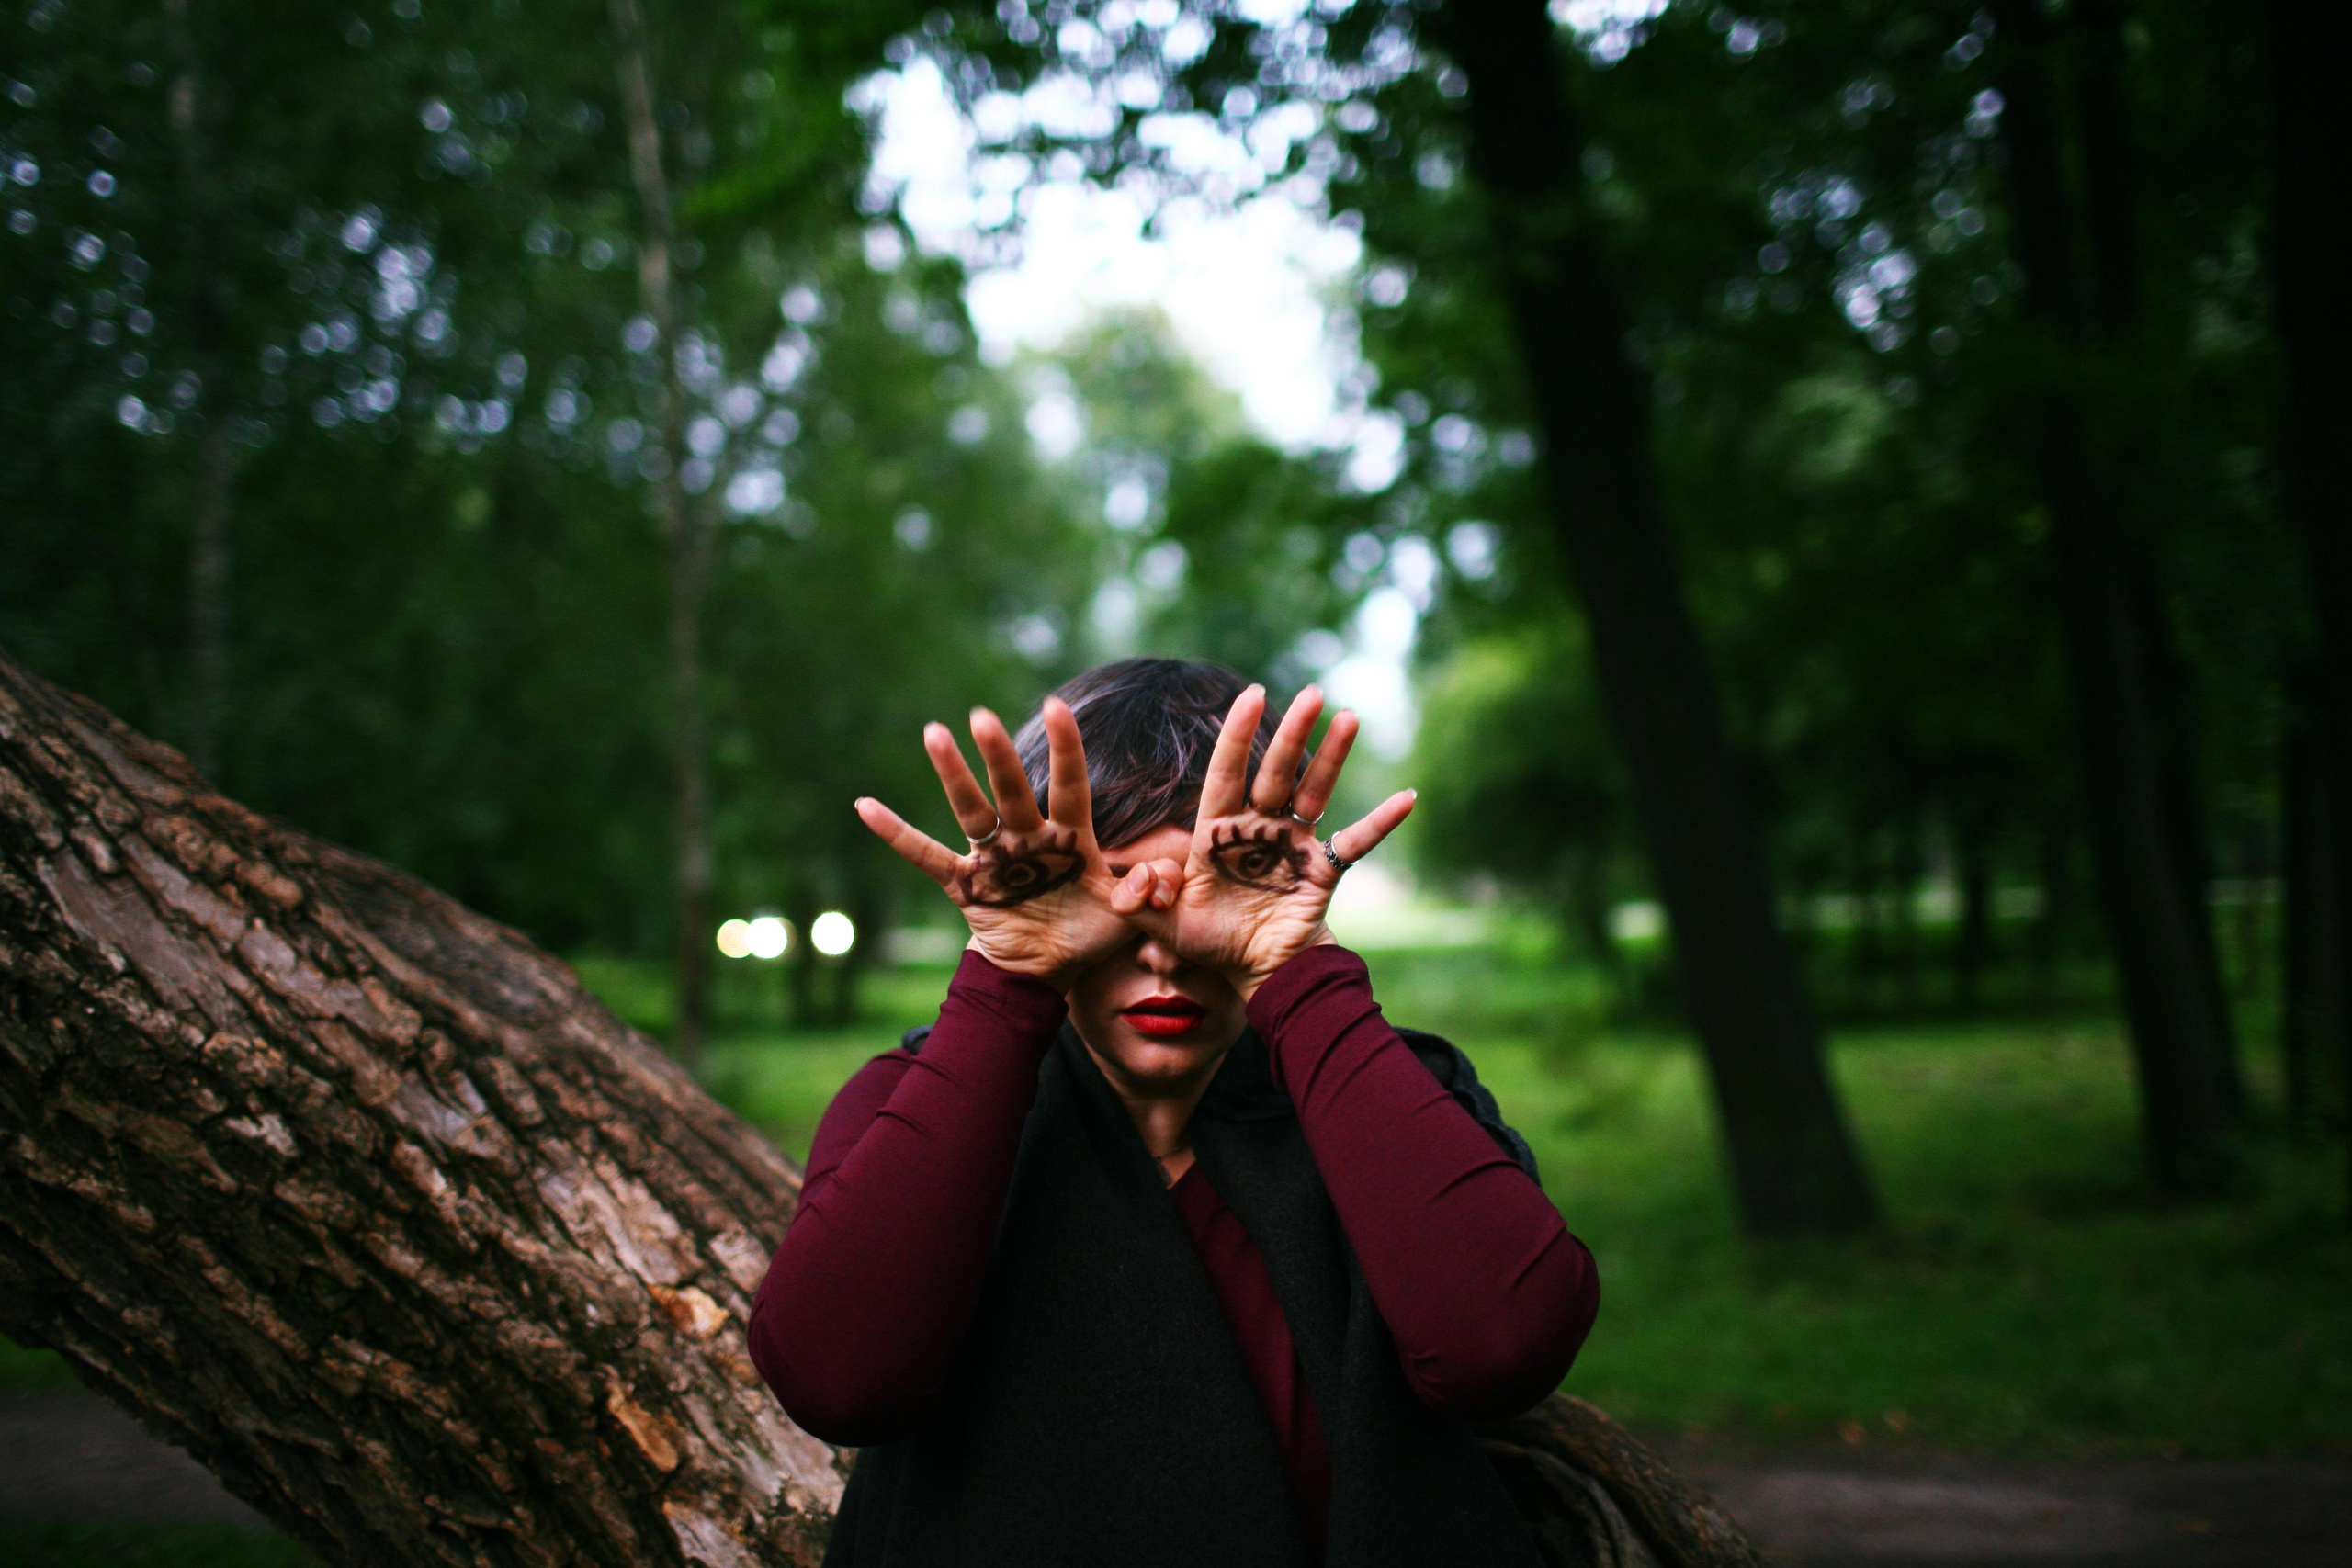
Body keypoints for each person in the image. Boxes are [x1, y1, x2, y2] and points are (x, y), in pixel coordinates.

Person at [749, 658, 1599, 1568]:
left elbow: (1501, 1349)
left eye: (1212, 889)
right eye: (1110, 892)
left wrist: (1293, 971)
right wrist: (1007, 981)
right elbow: (839, 1382)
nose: (1162, 953)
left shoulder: (1392, 1092)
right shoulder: (914, 1100)